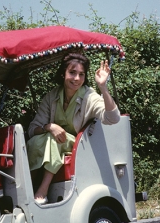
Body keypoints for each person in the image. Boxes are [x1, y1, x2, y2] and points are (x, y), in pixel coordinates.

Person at [27, 53, 121, 204]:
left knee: (52, 140)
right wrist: (49, 126)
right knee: (35, 141)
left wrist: (103, 87)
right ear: (63, 73)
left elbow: (113, 118)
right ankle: (27, 188)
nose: (76, 78)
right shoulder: (52, 96)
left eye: (81, 74)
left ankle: (42, 190)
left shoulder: (89, 96)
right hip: (51, 142)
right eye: (72, 72)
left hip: (81, 147)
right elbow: (32, 129)